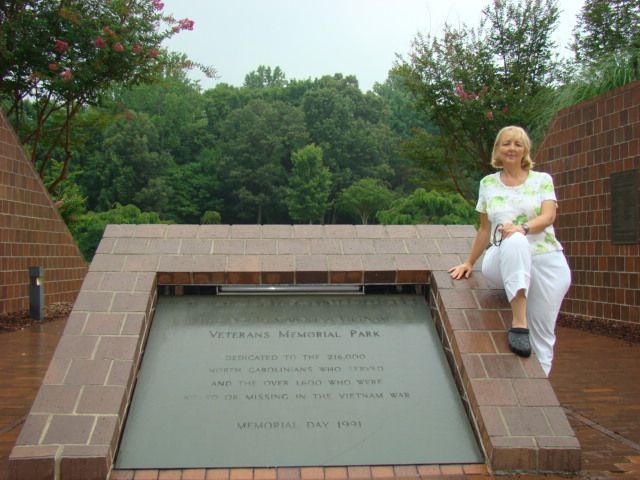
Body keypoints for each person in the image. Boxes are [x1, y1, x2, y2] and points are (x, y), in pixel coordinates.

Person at [448, 125, 571, 376]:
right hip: (502, 258)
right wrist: (469, 262)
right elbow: (485, 229)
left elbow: (548, 216)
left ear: (525, 149)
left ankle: (538, 392)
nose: (512, 148)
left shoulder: (542, 180)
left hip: (546, 260)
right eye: (506, 143)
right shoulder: (488, 184)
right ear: (498, 150)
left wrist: (522, 227)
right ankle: (519, 322)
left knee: (543, 337)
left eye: (517, 143)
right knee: (514, 241)